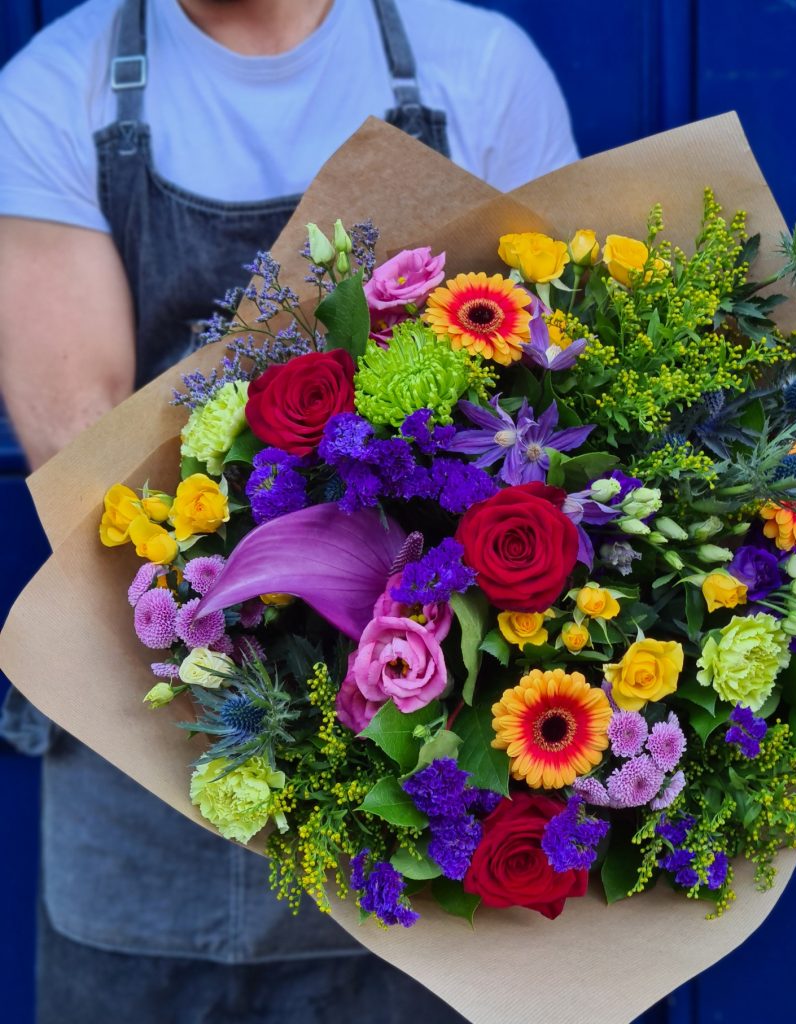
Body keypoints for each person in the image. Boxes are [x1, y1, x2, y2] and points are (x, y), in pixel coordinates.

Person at [0, 1, 578, 1020]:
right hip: (157, 764)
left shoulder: (478, 70)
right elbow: (87, 469)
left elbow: (562, 392)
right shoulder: (55, 92)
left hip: (425, 794)